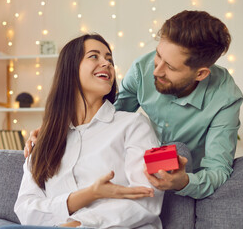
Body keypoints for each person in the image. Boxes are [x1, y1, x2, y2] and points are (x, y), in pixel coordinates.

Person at [25, 10, 243, 200]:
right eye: (158, 56)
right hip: (135, 166)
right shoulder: (143, 68)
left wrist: (184, 182)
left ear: (201, 74)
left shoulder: (225, 98)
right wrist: (58, 128)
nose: (156, 71)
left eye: (171, 68)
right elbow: (106, 114)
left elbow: (217, 170)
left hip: (187, 179)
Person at [14, 34, 164, 228]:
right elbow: (26, 210)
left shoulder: (134, 125)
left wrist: (79, 224)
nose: (107, 63)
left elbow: (147, 198)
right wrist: (90, 194)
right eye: (94, 56)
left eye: (109, 59)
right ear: (70, 70)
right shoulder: (45, 141)